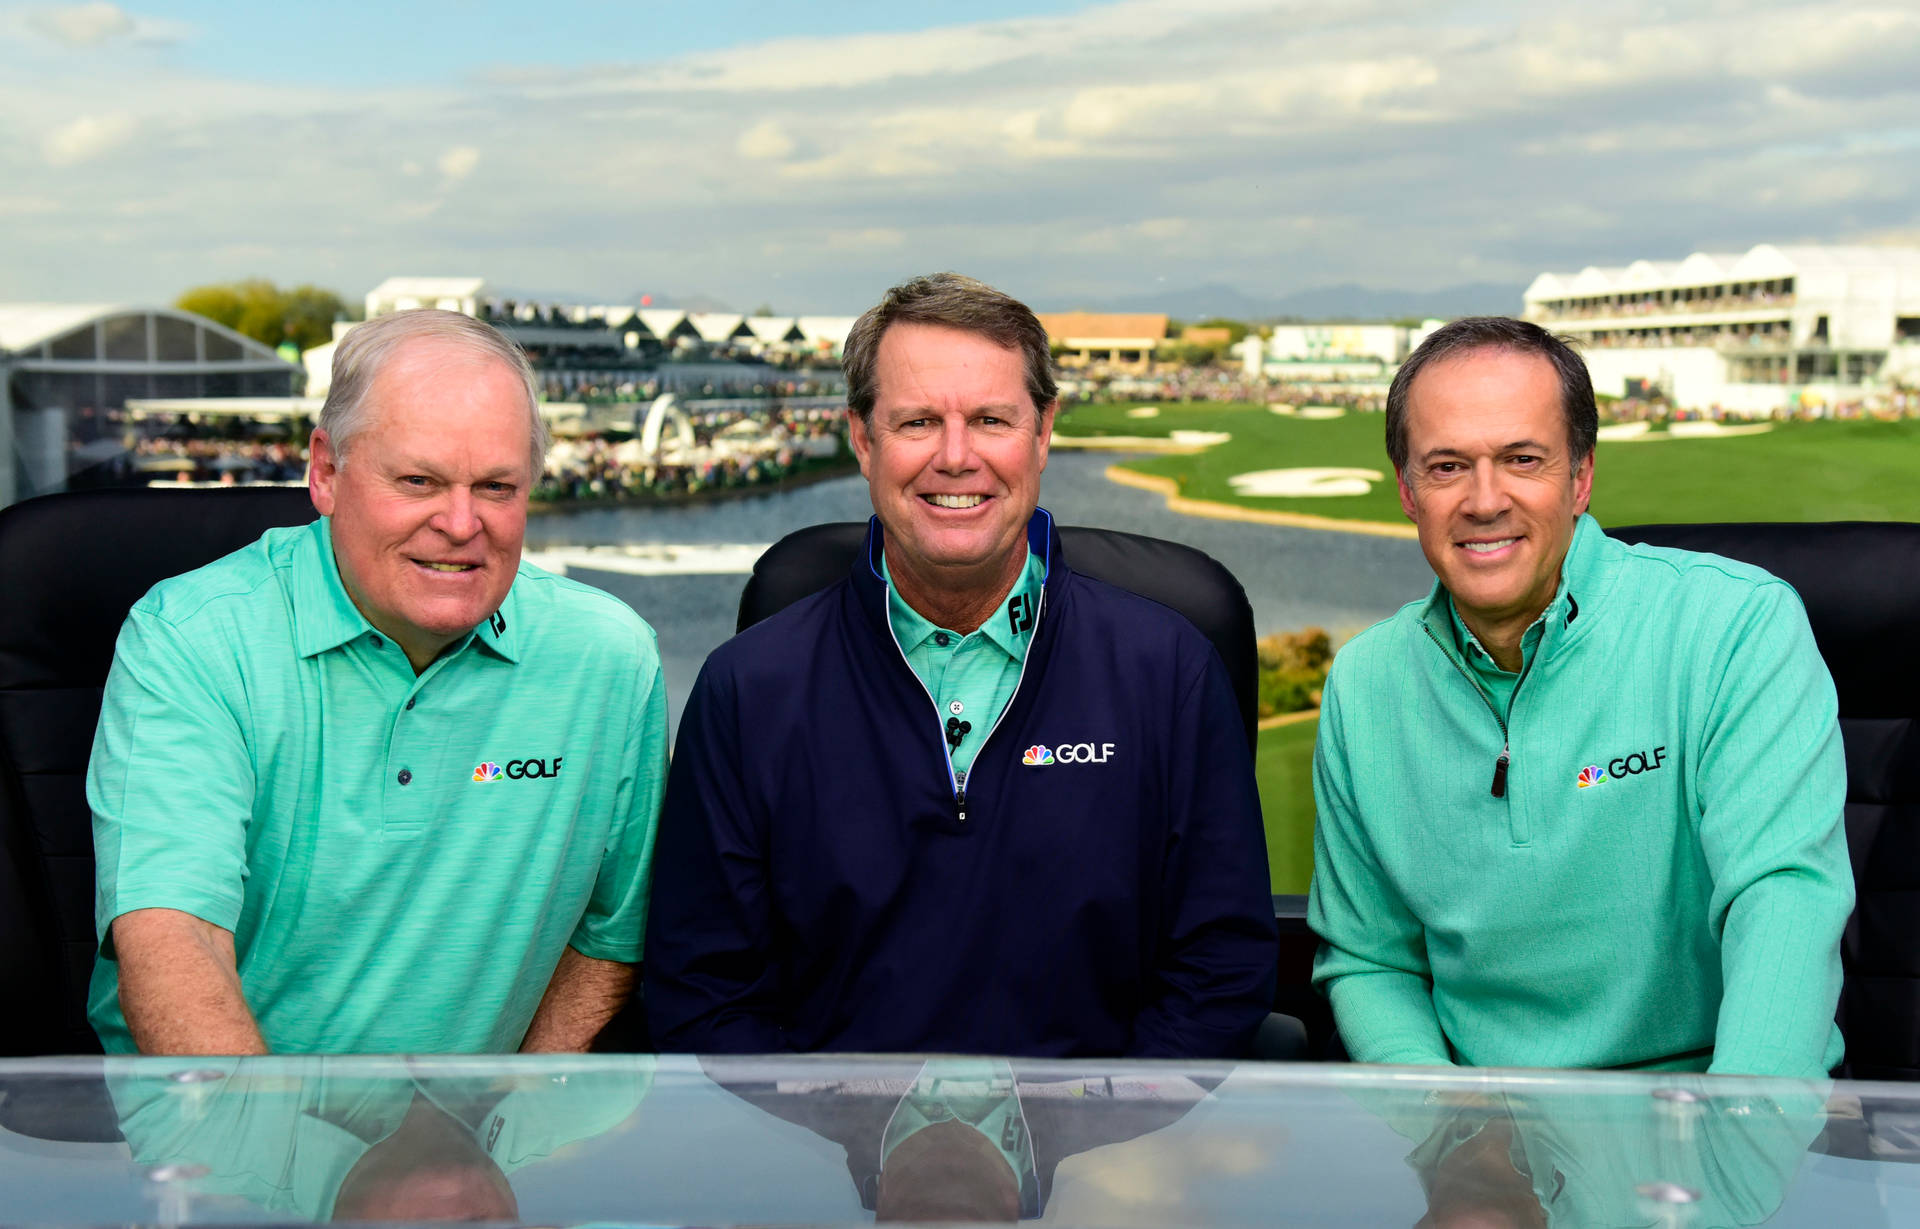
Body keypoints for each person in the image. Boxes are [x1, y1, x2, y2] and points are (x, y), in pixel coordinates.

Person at [644, 272, 1276, 1057]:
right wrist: (837, 1149)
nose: (955, 456)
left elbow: (1221, 967)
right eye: (916, 421)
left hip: (1094, 1158)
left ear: (1043, 432)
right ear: (864, 439)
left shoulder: (1170, 670)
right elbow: (702, 992)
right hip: (833, 1163)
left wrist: (1105, 1149)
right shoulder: (746, 690)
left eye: (989, 419)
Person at [87, 309, 667, 1055]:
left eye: (496, 487)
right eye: (419, 480)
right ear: (325, 471)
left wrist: (510, 1127)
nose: (460, 523)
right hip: (219, 1144)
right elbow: (174, 944)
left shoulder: (611, 660)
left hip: (471, 1155)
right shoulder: (193, 638)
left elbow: (608, 939)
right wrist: (286, 1163)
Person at [1308, 316, 1852, 1077]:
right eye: (1446, 466)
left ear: (1581, 476)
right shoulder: (1364, 684)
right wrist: (1447, 1130)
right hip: (1488, 1136)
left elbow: (1784, 901)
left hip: (1721, 1111)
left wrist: (1738, 1147)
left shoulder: (1737, 625)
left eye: (1522, 459)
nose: (1484, 498)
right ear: (1407, 490)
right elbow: (1371, 960)